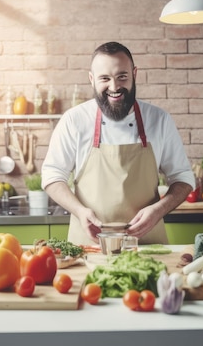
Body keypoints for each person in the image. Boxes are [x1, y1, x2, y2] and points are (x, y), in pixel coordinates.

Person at [41, 42, 195, 245]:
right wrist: (80, 211)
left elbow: (183, 178)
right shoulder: (74, 120)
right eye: (105, 78)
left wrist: (159, 209)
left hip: (147, 245)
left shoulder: (159, 119)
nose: (114, 87)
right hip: (90, 244)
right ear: (91, 79)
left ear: (134, 74)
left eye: (122, 76)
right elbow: (52, 175)